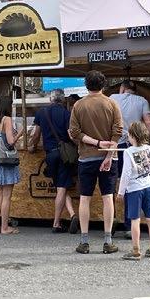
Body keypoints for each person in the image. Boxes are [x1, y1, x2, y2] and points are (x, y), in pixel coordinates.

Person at [69, 69, 124, 255]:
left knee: (85, 198)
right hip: (109, 157)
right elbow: (118, 131)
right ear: (104, 84)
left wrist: (95, 143)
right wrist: (107, 155)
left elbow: (75, 133)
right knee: (107, 197)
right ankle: (108, 241)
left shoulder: (78, 105)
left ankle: (84, 241)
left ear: (86, 85)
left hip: (86, 158)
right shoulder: (112, 103)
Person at [33, 89, 77, 232]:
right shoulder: (66, 114)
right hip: (64, 155)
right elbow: (71, 135)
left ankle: (72, 215)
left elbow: (36, 134)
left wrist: (33, 147)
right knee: (62, 188)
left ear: (50, 99)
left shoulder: (41, 112)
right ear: (62, 100)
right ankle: (56, 223)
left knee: (60, 188)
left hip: (50, 155)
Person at [118, 120, 150, 260]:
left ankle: (136, 250)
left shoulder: (128, 152)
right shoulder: (149, 149)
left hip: (134, 189)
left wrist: (120, 192)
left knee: (135, 220)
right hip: (148, 185)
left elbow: (125, 174)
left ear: (132, 136)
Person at [0, 95, 22, 235]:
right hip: (6, 159)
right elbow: (11, 141)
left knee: (0, 195)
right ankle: (5, 228)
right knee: (7, 195)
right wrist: (20, 133)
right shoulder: (7, 119)